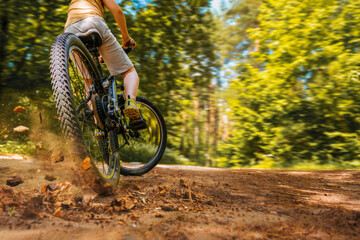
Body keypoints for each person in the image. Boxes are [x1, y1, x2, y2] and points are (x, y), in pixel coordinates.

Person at [64, 0, 140, 120]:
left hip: (70, 31)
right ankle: (130, 102)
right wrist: (126, 38)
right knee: (128, 72)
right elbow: (118, 11)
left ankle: (97, 124)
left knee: (88, 81)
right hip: (93, 22)